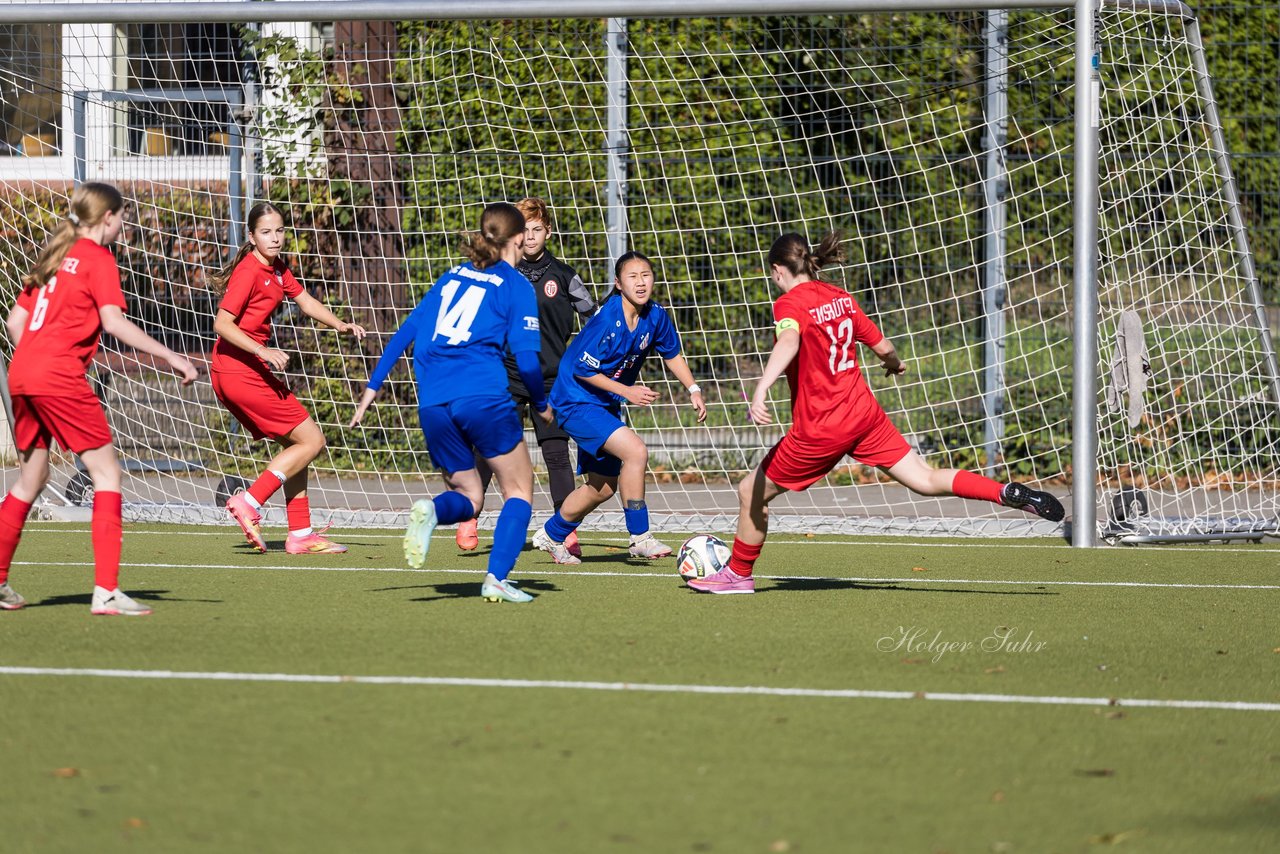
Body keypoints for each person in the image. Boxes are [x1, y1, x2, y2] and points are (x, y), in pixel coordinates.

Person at [687, 231, 1066, 594]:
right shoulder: (841, 296)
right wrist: (896, 364)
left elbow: (789, 338)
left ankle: (736, 575)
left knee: (749, 492)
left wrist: (763, 384)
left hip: (822, 428)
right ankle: (1004, 491)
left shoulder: (789, 304)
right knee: (924, 478)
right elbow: (883, 347)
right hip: (863, 415)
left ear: (777, 271)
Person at [0, 182, 198, 615]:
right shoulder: (97, 258)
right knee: (107, 474)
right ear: (107, 217)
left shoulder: (54, 257)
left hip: (23, 374)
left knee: (31, 481)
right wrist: (171, 355)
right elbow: (114, 323)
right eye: (122, 217)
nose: (123, 225)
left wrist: (39, 359)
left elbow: (16, 323)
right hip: (57, 376)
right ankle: (106, 591)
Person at [350, 202, 550, 603]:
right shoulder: (516, 286)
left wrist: (372, 387)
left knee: (470, 496)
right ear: (516, 239)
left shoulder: (451, 277)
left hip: (433, 404)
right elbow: (527, 361)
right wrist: (542, 402)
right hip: (484, 396)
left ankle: (435, 510)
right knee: (519, 491)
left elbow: (407, 330)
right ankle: (496, 578)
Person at [532, 251, 707, 565]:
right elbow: (583, 370)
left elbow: (671, 353)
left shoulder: (655, 315)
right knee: (636, 452)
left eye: (646, 275)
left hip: (603, 404)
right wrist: (628, 391)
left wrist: (693, 389)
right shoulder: (607, 319)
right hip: (574, 400)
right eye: (632, 277)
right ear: (618, 283)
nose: (641, 283)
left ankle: (552, 533)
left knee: (602, 487)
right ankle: (640, 537)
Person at [211, 202, 366, 555]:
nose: (275, 238)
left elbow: (306, 301)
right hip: (238, 369)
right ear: (251, 237)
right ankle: (249, 501)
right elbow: (221, 324)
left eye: (279, 230)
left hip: (244, 369)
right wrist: (262, 351)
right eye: (266, 232)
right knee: (312, 441)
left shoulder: (278, 268)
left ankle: (300, 534)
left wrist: (339, 323)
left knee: (298, 445)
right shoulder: (249, 271)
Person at [457, 197, 596, 555]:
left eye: (537, 229)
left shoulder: (565, 277)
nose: (531, 237)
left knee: (556, 453)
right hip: (504, 374)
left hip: (550, 379)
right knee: (490, 447)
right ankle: (469, 514)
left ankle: (564, 530)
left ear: (548, 231)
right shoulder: (498, 273)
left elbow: (594, 320)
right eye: (524, 230)